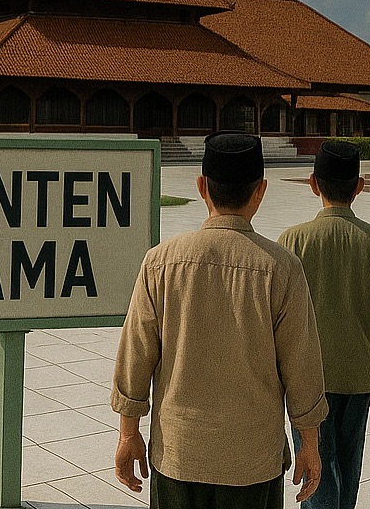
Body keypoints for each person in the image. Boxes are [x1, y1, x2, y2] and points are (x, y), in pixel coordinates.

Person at [111, 132, 329, 508]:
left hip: (179, 453)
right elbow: (302, 364)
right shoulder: (282, 268)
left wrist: (128, 432)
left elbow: (136, 355)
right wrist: (309, 441)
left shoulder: (161, 262)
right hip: (252, 461)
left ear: (201, 188)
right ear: (260, 192)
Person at [278, 139, 370, 509]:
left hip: (307, 377)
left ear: (314, 184)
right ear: (359, 187)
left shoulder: (294, 240)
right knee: (349, 462)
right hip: (358, 374)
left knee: (316, 463)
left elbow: (279, 315)